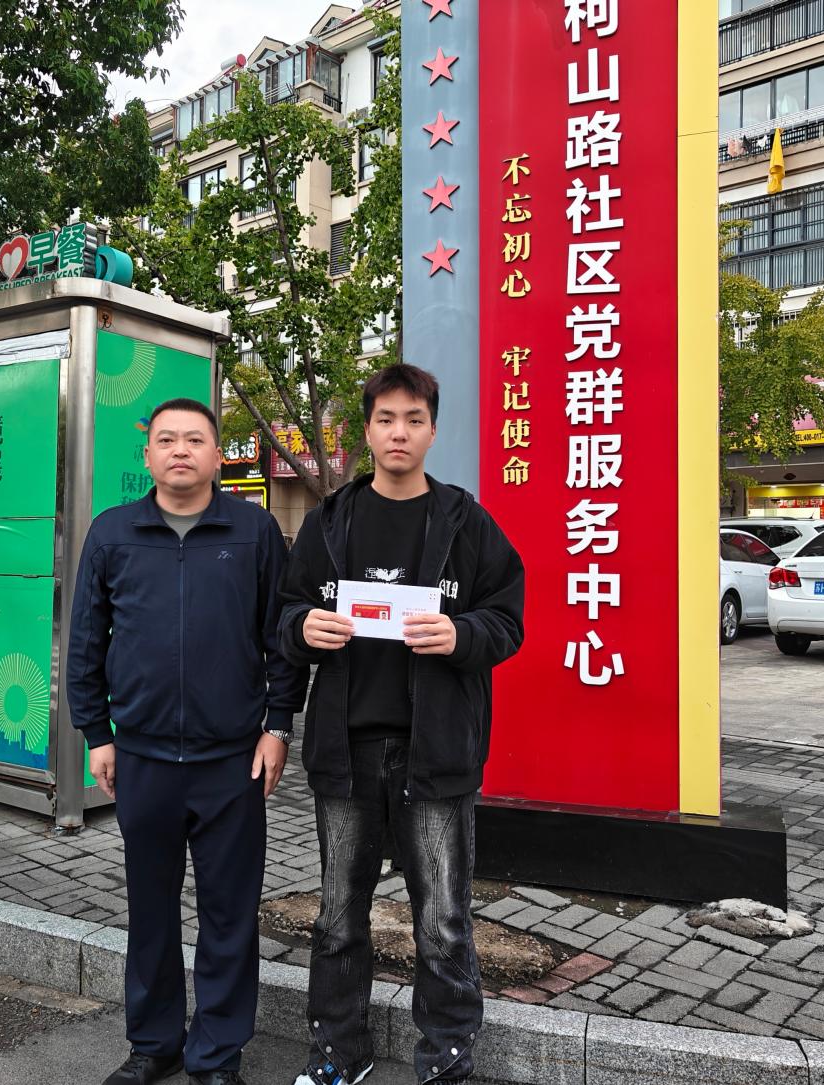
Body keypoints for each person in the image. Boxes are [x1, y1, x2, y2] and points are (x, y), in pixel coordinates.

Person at [278, 365, 525, 1085]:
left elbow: (507, 620)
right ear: (366, 429)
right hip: (346, 751)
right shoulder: (329, 523)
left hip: (434, 752)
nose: (398, 432)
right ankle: (338, 1052)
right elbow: (285, 614)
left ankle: (445, 1058)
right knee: (337, 914)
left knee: (443, 919)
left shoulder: (465, 522)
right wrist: (304, 628)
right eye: (385, 418)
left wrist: (461, 634)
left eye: (413, 419)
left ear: (432, 430)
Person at [66, 398, 307, 1085]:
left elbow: (281, 637)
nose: (180, 450)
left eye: (195, 439)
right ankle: (154, 1043)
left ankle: (217, 1053)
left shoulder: (254, 530)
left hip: (231, 760)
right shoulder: (113, 532)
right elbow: (86, 639)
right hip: (141, 757)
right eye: (167, 439)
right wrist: (97, 734)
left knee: (229, 913)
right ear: (147, 455)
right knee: (150, 908)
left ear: (216, 453)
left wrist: (278, 725)